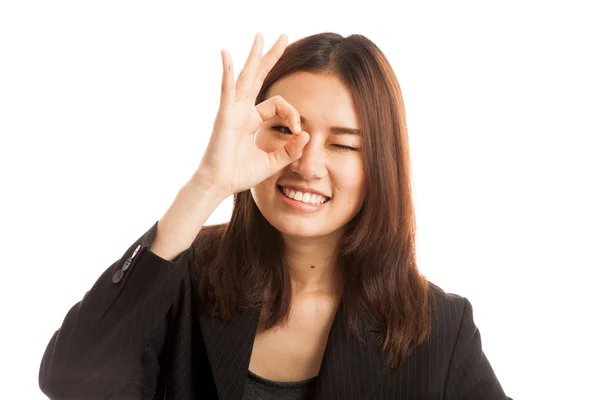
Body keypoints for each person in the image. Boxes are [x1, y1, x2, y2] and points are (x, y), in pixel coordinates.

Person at [38, 32, 512, 400]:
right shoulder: (182, 275)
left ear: (380, 167)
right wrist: (207, 185)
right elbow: (72, 379)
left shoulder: (439, 329)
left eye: (343, 144)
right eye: (283, 129)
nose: (305, 164)